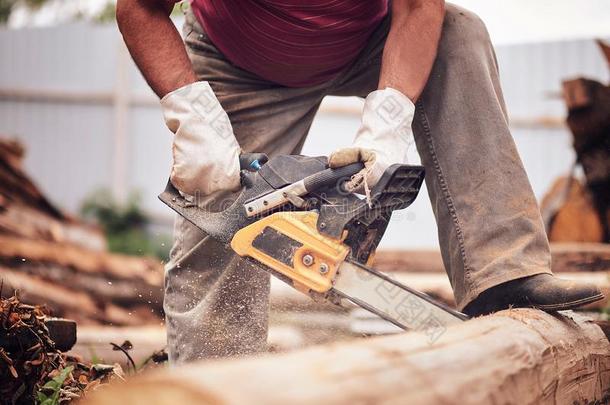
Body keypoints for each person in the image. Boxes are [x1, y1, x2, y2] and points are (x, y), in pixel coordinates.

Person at [116, 0, 604, 364]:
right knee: (223, 217)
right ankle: (211, 378)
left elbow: (418, 7)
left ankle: (504, 273)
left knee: (459, 33)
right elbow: (139, 6)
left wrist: (388, 119)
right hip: (241, 60)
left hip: (370, 42)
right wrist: (192, 117)